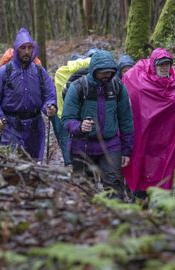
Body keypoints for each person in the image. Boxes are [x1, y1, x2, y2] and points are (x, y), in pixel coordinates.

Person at [61, 50, 134, 199]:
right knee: (85, 190)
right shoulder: (78, 88)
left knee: (114, 188)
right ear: (94, 71)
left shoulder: (118, 88)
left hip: (110, 146)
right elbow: (66, 119)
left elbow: (126, 120)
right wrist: (79, 126)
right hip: (82, 146)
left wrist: (126, 150)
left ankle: (116, 219)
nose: (106, 75)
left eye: (110, 72)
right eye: (103, 72)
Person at [121, 48, 175, 199]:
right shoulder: (138, 81)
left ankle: (159, 210)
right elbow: (133, 105)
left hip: (166, 139)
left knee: (164, 172)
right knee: (143, 172)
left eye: (167, 65)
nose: (164, 68)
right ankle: (140, 207)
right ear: (153, 65)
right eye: (161, 65)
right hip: (144, 137)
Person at [0, 28, 57, 161]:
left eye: (30, 48)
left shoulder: (40, 72)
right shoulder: (3, 73)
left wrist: (50, 106)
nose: (26, 51)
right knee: (13, 164)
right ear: (16, 49)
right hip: (11, 126)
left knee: (34, 164)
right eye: (22, 47)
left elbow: (49, 94)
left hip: (35, 127)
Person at [53, 56, 91, 166]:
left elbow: (59, 98)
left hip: (68, 118)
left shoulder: (61, 73)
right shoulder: (99, 70)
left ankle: (69, 163)